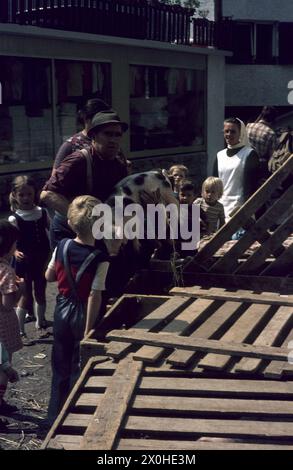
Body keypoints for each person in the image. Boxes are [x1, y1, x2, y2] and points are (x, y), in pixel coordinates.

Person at [46, 195, 110, 424]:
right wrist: (88, 329)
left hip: (61, 309)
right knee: (79, 367)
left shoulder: (61, 245)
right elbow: (95, 294)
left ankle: (52, 417)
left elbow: (49, 276)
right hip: (84, 311)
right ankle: (74, 418)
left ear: (71, 223)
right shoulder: (101, 258)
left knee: (60, 365)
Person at [40, 110, 129, 249]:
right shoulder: (78, 160)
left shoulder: (119, 165)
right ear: (93, 135)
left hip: (99, 232)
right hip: (69, 232)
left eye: (117, 135)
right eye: (107, 134)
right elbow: (47, 194)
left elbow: (121, 199)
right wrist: (80, 218)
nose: (113, 139)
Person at [8, 176, 51, 341]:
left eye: (29, 194)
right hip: (23, 262)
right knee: (25, 294)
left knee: (40, 290)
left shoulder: (42, 213)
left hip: (41, 259)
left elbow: (51, 231)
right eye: (22, 195)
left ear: (35, 194)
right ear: (15, 195)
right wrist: (15, 252)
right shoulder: (14, 218)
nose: (26, 198)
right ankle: (20, 331)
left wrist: (53, 252)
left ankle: (41, 322)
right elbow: (10, 242)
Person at [0, 220, 25, 414]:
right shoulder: (7, 272)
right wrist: (20, 290)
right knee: (3, 367)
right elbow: (8, 306)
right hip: (3, 327)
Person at [214, 117, 260, 222]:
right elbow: (214, 183)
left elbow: (252, 186)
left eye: (233, 131)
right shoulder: (219, 155)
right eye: (226, 131)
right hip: (220, 208)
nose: (229, 134)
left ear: (241, 133)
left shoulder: (249, 154)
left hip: (240, 207)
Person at [246, 106, 278, 182]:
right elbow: (272, 156)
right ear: (273, 119)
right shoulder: (271, 134)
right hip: (258, 167)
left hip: (243, 160)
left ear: (261, 115)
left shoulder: (248, 126)